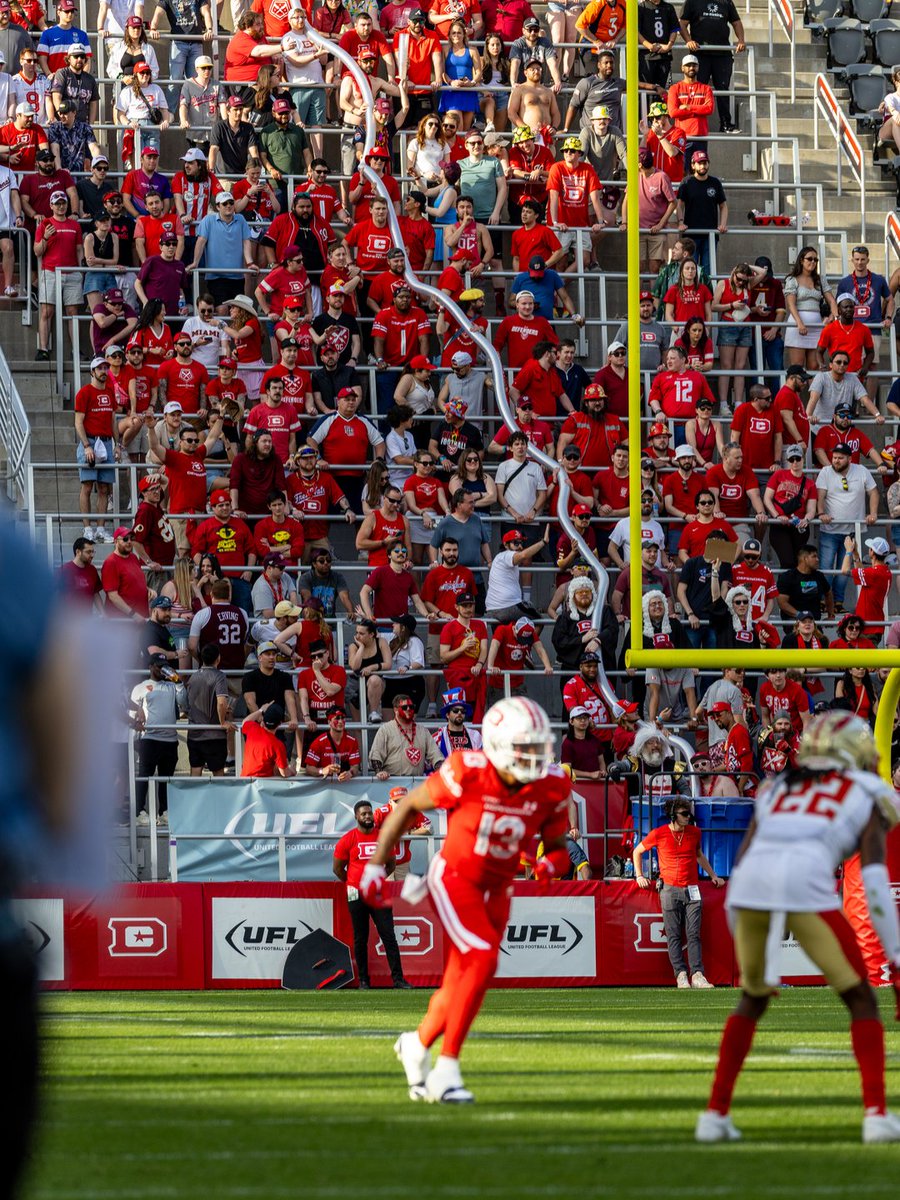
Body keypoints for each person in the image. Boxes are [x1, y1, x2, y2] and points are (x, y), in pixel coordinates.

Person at [697, 712, 900, 1145]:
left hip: (747, 888)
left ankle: (714, 1115)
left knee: (752, 997)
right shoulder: (867, 790)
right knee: (862, 997)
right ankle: (876, 1115)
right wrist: (896, 961)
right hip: (806, 885)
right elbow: (876, 882)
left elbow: (745, 856)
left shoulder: (776, 786)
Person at [361, 697, 570, 1103]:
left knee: (463, 977)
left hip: (498, 888)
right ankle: (446, 1070)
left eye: (537, 746)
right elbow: (407, 806)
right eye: (523, 747)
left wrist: (548, 867)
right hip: (455, 876)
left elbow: (558, 848)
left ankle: (417, 1044)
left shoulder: (551, 785)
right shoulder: (466, 770)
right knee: (482, 958)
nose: (533, 756)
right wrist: (375, 866)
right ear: (497, 745)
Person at [633, 797, 723, 988]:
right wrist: (639, 875)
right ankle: (681, 974)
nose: (688, 817)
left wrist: (713, 875)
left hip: (692, 888)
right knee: (673, 934)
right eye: (684, 814)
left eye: (689, 813)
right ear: (673, 815)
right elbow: (637, 851)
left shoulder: (694, 832)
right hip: (669, 888)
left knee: (693, 933)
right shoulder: (659, 833)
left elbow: (699, 856)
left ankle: (697, 975)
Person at [334, 800, 410, 991]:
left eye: (369, 813)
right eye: (363, 814)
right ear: (356, 817)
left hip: (378, 893)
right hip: (355, 893)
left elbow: (391, 863)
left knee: (389, 936)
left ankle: (398, 980)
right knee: (361, 938)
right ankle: (364, 981)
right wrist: (353, 882)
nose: (367, 816)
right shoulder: (348, 839)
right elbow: (337, 868)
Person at [130, 652, 187, 824]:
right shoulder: (141, 687)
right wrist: (134, 737)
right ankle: (139, 811)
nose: (162, 669)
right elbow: (133, 713)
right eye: (158, 665)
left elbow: (184, 702)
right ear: (150, 667)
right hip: (149, 738)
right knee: (144, 776)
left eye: (164, 666)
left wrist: (178, 681)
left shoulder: (172, 686)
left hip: (169, 739)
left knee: (166, 777)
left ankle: (164, 811)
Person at [185, 644, 231, 777]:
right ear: (218, 658)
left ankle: (194, 798)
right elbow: (221, 702)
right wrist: (223, 722)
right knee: (218, 774)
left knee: (195, 772)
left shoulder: (193, 677)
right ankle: (218, 799)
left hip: (194, 734)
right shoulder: (219, 676)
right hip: (214, 735)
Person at [240, 702, 294, 777]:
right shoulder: (278, 745)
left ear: (263, 720)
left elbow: (245, 722)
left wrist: (261, 710)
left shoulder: (252, 728)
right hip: (263, 785)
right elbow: (284, 773)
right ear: (280, 723)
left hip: (244, 782)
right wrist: (292, 771)